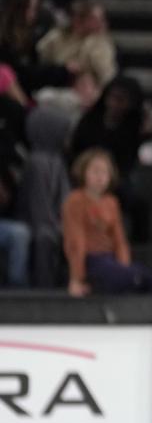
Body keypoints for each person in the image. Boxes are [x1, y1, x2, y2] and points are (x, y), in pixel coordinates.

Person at [62, 148, 152, 297]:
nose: (100, 177)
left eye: (104, 172)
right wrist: (76, 278)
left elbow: (119, 239)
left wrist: (124, 266)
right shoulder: (75, 201)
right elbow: (75, 241)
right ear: (84, 172)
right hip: (90, 260)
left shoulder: (111, 202)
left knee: (151, 280)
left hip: (110, 259)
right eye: (95, 171)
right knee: (135, 279)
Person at [69, 76, 152, 241]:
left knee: (138, 202)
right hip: (86, 172)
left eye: (121, 100)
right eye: (112, 98)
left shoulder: (132, 126)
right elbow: (76, 150)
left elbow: (130, 157)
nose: (114, 104)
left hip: (118, 175)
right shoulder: (91, 120)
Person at [14, 107, 71, 288]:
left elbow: (65, 198)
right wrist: (57, 225)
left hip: (54, 219)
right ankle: (44, 286)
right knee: (46, 237)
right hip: (36, 220)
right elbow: (38, 205)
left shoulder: (57, 160)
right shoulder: (37, 162)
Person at [37, 0, 117, 87]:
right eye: (94, 19)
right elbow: (43, 56)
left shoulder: (100, 41)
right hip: (58, 84)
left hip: (91, 87)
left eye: (101, 19)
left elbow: (106, 74)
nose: (101, 23)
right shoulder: (57, 36)